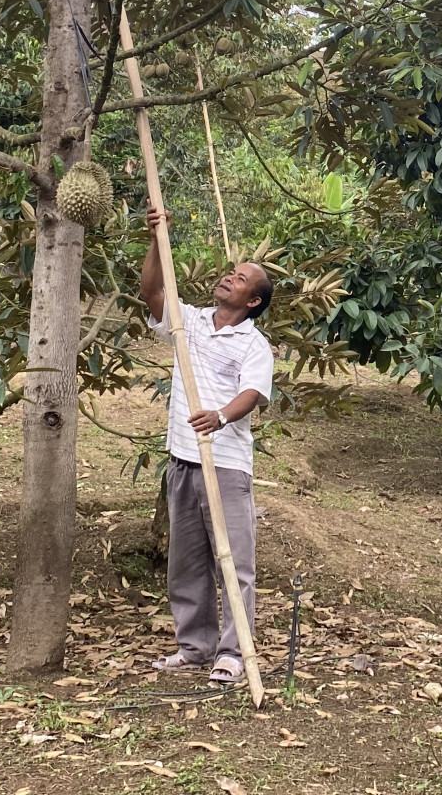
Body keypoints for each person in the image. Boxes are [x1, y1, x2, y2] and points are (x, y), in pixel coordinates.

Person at [140, 204, 275, 686]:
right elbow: (152, 291)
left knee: (234, 562)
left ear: (253, 301)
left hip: (226, 463)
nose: (228, 278)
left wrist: (219, 417)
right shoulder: (190, 322)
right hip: (182, 459)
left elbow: (252, 394)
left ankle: (235, 653)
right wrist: (159, 238)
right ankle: (195, 647)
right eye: (230, 273)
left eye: (240, 279)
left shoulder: (253, 345)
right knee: (187, 561)